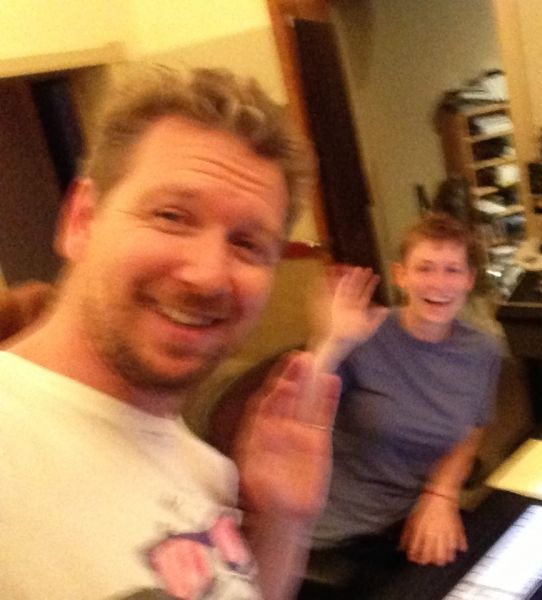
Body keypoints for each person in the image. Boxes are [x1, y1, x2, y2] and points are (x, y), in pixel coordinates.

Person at [0, 66, 340, 600]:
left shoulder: (205, 467)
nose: (208, 276)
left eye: (248, 244)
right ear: (82, 220)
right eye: (172, 216)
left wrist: (284, 520)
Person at [309, 213, 502, 567]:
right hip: (328, 530)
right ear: (401, 276)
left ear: (469, 280)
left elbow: (473, 427)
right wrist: (335, 342)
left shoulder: (483, 350)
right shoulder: (364, 334)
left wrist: (441, 494)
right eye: (424, 268)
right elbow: (297, 410)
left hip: (406, 516)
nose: (438, 284)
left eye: (452, 270)